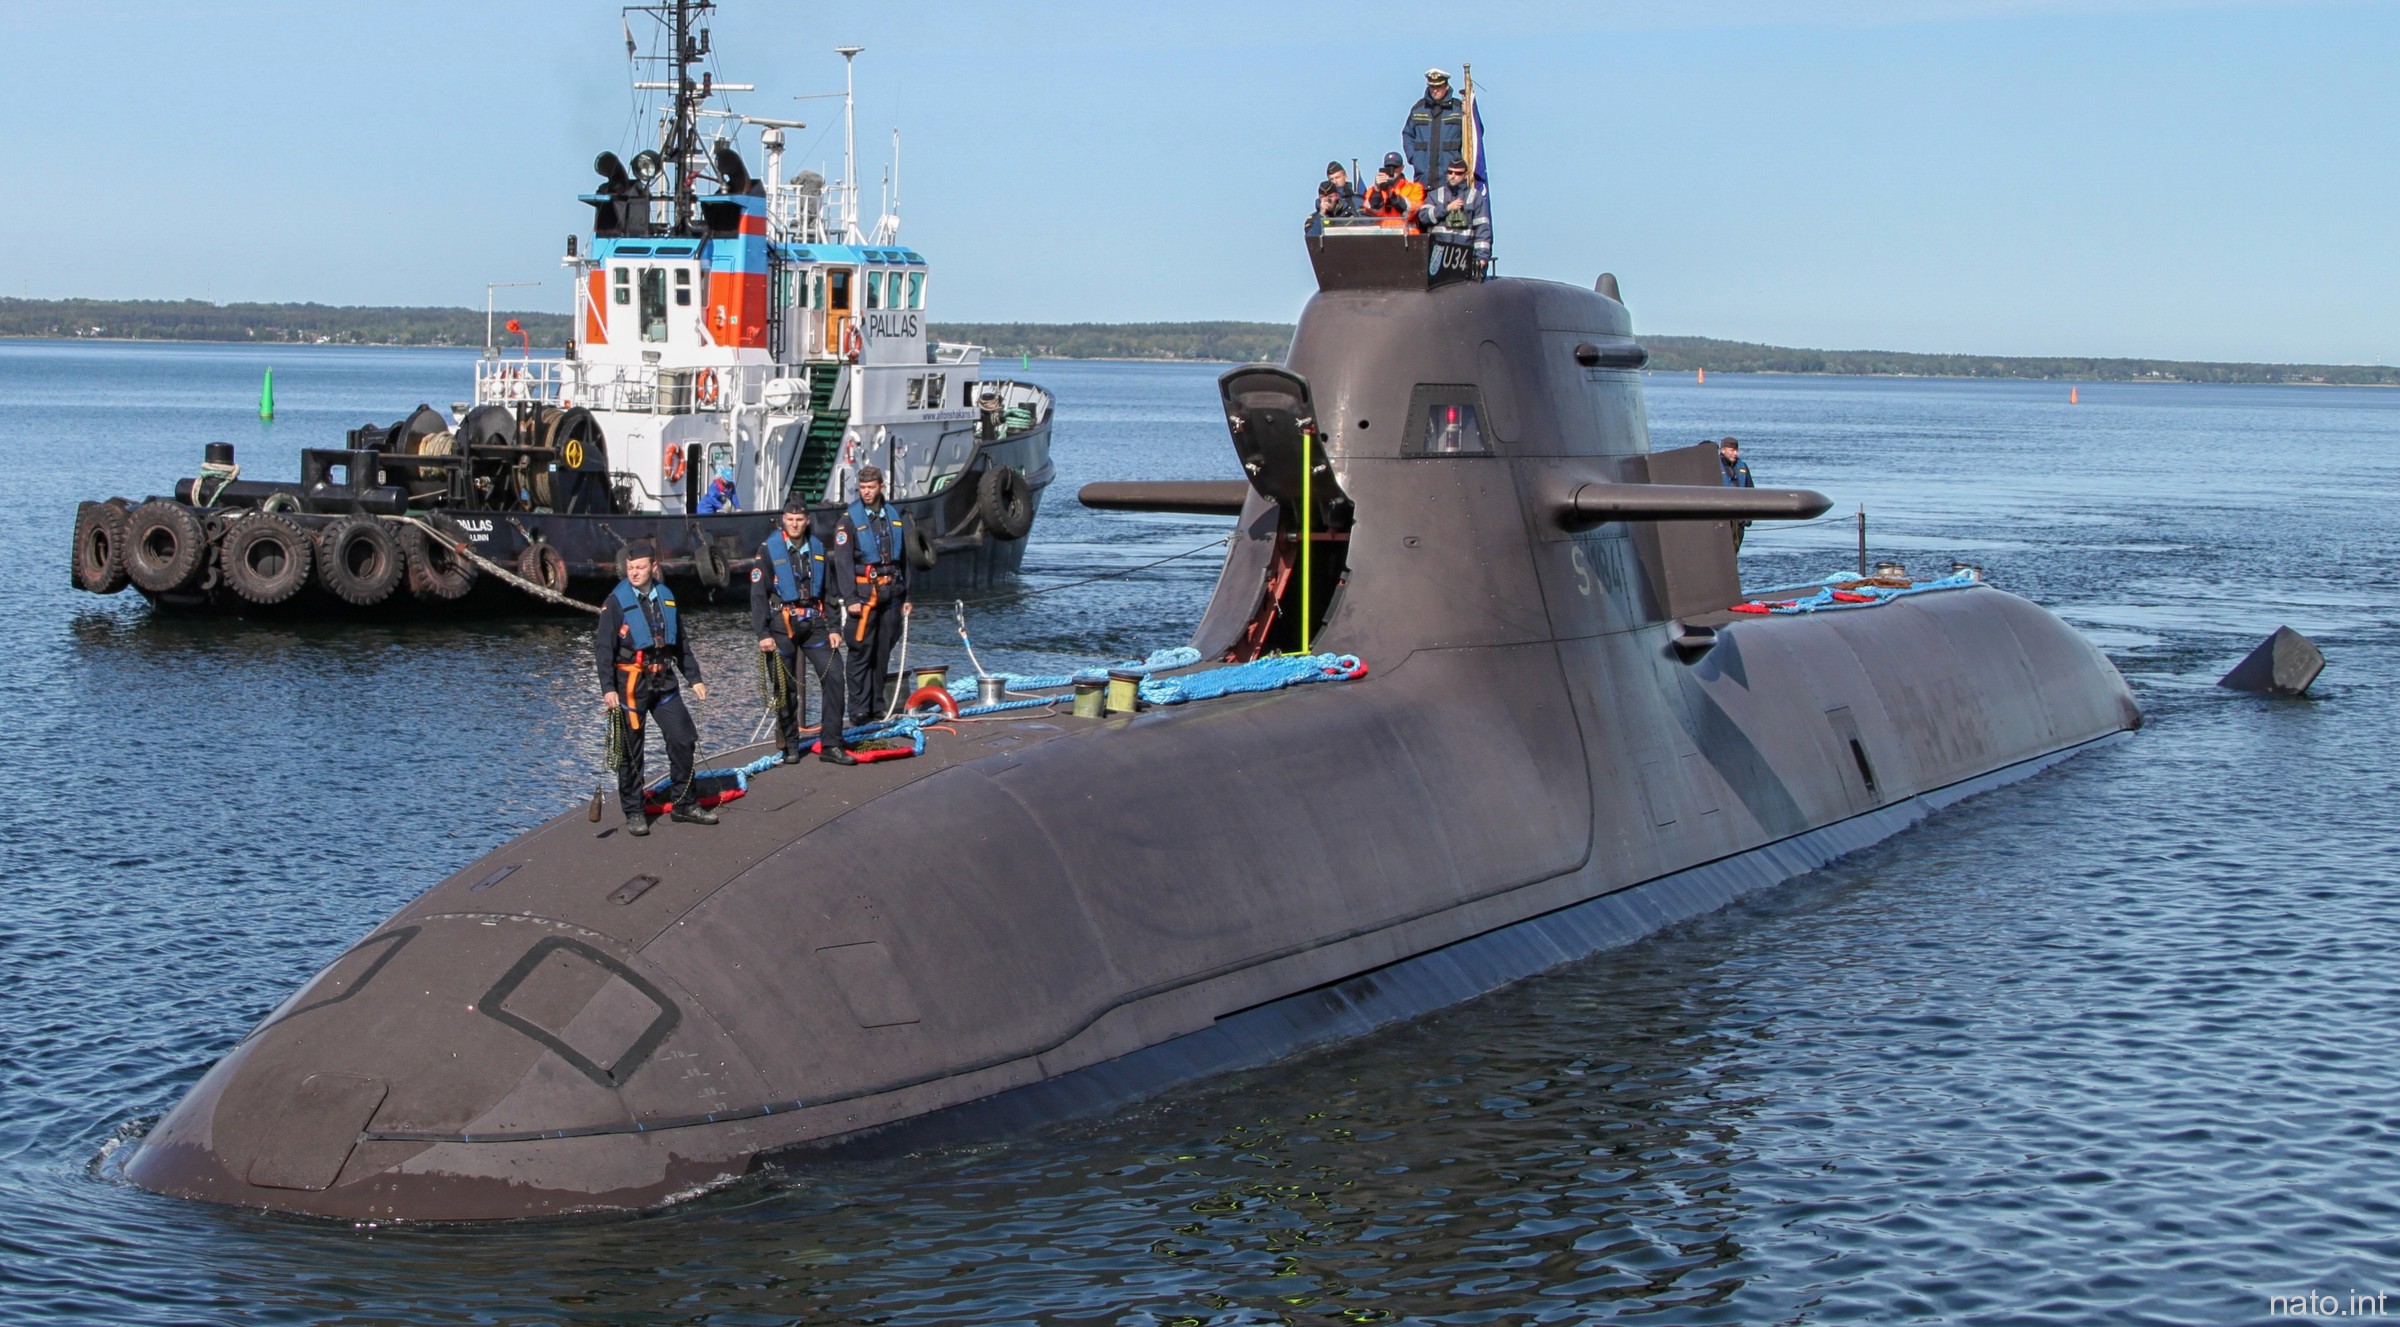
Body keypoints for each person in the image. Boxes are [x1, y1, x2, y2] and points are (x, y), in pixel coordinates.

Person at [595, 540, 713, 836]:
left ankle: (685, 804)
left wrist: (694, 678)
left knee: (683, 738)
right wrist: (607, 688)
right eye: (630, 568)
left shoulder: (667, 598)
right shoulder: (615, 602)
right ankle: (634, 810)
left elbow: (681, 643)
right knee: (631, 751)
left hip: (664, 682)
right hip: (630, 685)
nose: (633, 573)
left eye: (639, 567)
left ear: (653, 567)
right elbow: (603, 649)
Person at [752, 499, 857, 767]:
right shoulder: (768, 550)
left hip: (815, 624)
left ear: (807, 520)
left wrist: (835, 627)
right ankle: (790, 745)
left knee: (834, 676)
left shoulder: (818, 548)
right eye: (789, 519)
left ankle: (831, 743)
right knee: (785, 689)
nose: (795, 524)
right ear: (782, 520)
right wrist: (762, 633)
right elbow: (758, 595)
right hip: (781, 625)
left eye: (799, 519)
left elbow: (830, 592)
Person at [833, 465, 912, 732]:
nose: (866, 492)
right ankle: (858, 710)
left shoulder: (893, 516)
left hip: (891, 595)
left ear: (881, 487)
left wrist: (907, 596)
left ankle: (877, 705)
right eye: (862, 488)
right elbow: (843, 564)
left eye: (871, 487)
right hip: (864, 598)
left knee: (882, 652)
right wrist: (850, 597)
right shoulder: (849, 521)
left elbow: (904, 559)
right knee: (860, 653)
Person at [1416, 159, 1492, 262]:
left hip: (1463, 258)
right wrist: (1446, 209)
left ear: (1465, 175)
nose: (1453, 176)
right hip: (1437, 257)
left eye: (1458, 173)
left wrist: (1481, 258)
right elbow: (1423, 217)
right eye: (1450, 172)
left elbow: (1482, 230)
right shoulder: (1434, 195)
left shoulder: (1475, 198)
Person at [1402, 69, 1467, 185]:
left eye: (1439, 87)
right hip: (1423, 178)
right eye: (1432, 87)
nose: (1435, 90)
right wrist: (1414, 157)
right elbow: (1407, 134)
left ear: (1446, 86)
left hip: (1450, 179)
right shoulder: (1419, 108)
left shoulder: (1458, 109)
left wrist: (1469, 115)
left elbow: (1475, 135)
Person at [1361, 151, 1423, 221]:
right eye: (1388, 167)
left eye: (1395, 167)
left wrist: (1392, 195)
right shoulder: (1373, 190)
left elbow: (1412, 211)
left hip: (1406, 231)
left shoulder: (1415, 188)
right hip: (1384, 231)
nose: (1392, 170)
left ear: (1402, 168)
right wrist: (1377, 189)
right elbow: (1372, 211)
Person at [1718, 437, 1755, 551]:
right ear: (1723, 450)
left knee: (1735, 550)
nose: (1735, 453)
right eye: (1732, 450)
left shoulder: (1742, 466)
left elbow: (1750, 491)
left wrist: (1749, 516)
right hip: (1721, 518)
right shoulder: (1714, 466)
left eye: (1737, 450)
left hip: (1739, 518)